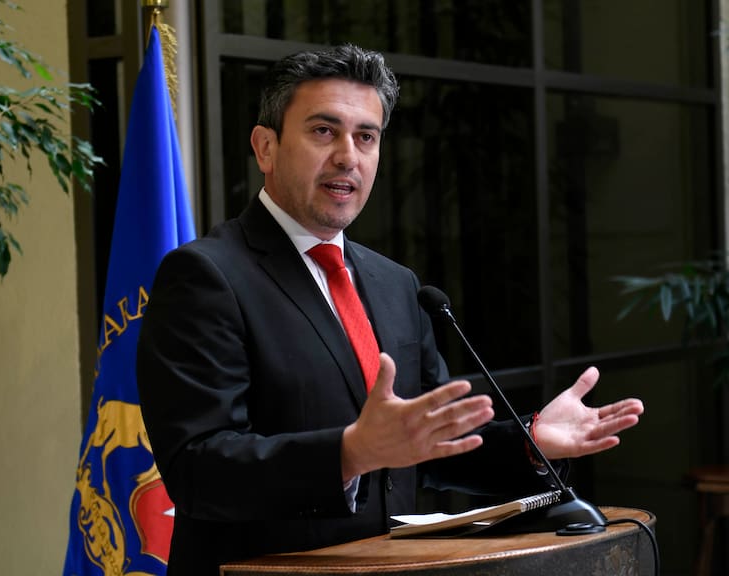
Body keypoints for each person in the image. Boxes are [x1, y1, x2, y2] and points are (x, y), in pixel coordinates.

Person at [136, 43, 644, 574]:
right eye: (323, 131)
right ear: (265, 147)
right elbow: (199, 472)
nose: (347, 157)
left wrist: (531, 442)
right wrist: (350, 452)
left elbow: (431, 441)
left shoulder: (394, 283)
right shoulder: (206, 277)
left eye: (366, 137)